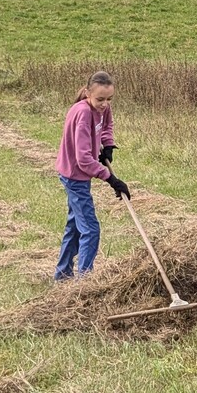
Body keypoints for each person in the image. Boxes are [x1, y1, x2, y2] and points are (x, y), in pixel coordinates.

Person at [55, 70, 130, 281]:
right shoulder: (83, 114)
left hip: (80, 174)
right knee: (90, 229)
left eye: (109, 99)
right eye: (100, 99)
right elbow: (84, 160)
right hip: (74, 176)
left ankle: (62, 275)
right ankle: (85, 283)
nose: (105, 104)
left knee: (75, 227)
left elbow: (106, 126)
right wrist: (111, 179)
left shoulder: (101, 107)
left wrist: (108, 145)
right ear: (88, 93)